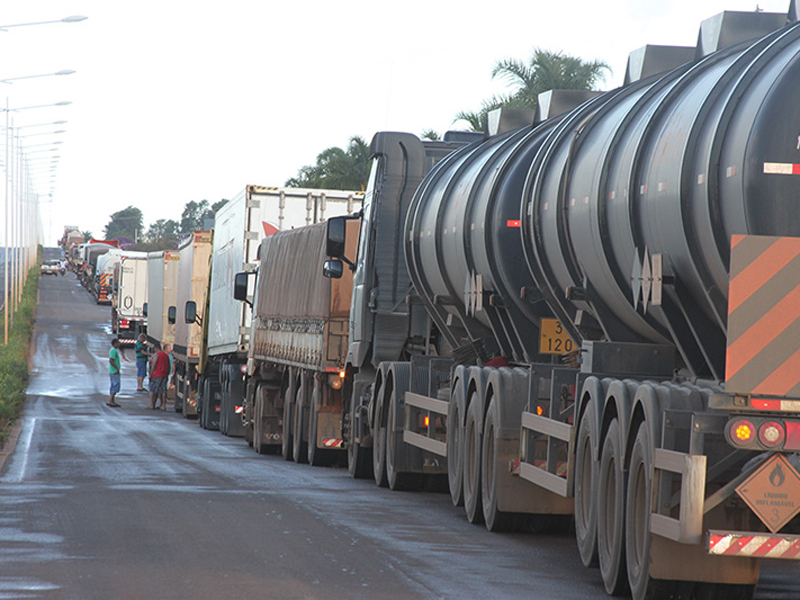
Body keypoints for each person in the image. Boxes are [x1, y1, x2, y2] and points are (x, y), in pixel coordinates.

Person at [107, 338, 122, 408]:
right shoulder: (113, 351)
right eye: (118, 343)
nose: (119, 344)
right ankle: (110, 400)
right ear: (115, 343)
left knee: (113, 385)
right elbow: (111, 360)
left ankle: (112, 400)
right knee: (115, 385)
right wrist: (116, 368)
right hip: (114, 371)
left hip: (113, 371)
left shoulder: (114, 350)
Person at [163, 343, 175, 411]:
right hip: (164, 373)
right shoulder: (163, 355)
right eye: (169, 348)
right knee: (164, 387)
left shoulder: (170, 355)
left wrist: (173, 371)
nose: (170, 349)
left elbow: (173, 363)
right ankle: (164, 401)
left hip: (169, 372)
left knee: (167, 386)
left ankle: (165, 400)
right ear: (165, 349)